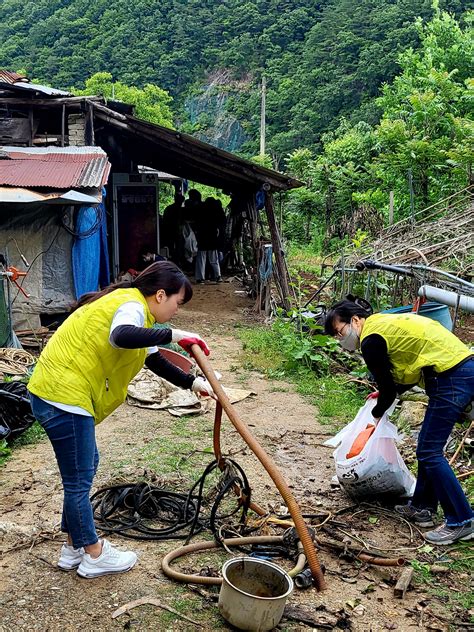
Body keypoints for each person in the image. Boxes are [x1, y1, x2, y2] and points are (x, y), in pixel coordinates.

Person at [28, 261, 215, 577]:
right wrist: (177, 334)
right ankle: (94, 553)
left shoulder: (136, 310)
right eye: (177, 303)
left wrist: (193, 383)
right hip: (63, 395)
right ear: (160, 295)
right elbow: (121, 336)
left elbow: (152, 357)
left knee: (82, 470)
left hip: (55, 393)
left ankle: (73, 547)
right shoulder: (129, 306)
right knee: (79, 479)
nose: (176, 310)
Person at [324, 298, 473, 545]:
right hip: (460, 369)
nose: (341, 340)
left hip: (450, 376)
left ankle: (461, 520)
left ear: (355, 320)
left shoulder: (370, 340)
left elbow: (389, 390)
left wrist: (376, 413)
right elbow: (403, 377)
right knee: (428, 448)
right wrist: (383, 395)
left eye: (340, 332)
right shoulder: (383, 324)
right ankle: (422, 507)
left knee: (429, 451)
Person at [194, 197, 225, 283]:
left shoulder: (201, 211)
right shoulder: (216, 211)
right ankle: (218, 276)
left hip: (202, 237)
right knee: (214, 258)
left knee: (201, 258)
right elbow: (220, 223)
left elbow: (197, 223)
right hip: (212, 237)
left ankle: (200, 278)